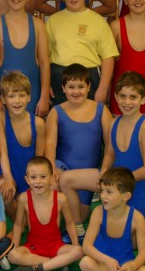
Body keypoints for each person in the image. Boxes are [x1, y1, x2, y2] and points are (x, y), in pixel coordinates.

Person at [47, 64, 113, 241]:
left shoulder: (101, 110)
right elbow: (50, 144)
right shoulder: (56, 112)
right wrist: (51, 167)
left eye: (81, 86)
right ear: (63, 88)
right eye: (71, 87)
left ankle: (73, 226)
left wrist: (105, 170)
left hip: (88, 174)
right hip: (64, 167)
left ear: (89, 87)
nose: (76, 91)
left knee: (81, 215)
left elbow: (110, 146)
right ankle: (52, 233)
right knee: (51, 185)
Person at [66, 168, 145, 271]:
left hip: (124, 262)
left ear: (126, 196)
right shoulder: (98, 212)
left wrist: (133, 266)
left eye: (109, 192)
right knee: (85, 263)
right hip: (101, 261)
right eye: (102, 191)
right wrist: (106, 260)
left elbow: (144, 253)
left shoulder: (137, 218)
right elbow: (87, 246)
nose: (103, 196)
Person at [46, 0, 119, 105]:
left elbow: (108, 57)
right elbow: (43, 57)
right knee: (60, 116)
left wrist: (103, 89)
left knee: (89, 116)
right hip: (59, 76)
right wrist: (46, 85)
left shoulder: (98, 21)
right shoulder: (52, 21)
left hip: (89, 75)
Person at [0, 0, 50, 116]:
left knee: (31, 129)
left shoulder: (38, 25)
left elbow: (44, 63)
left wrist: (44, 97)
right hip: (4, 95)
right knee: (3, 129)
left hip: (32, 94)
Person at [8, 157, 83, 271]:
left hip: (56, 247)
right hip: (33, 247)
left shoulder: (61, 199)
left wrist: (75, 244)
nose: (38, 181)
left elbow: (69, 223)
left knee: (78, 251)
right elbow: (18, 224)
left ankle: (39, 267)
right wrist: (15, 247)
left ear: (52, 179)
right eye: (33, 177)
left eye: (43, 177)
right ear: (27, 179)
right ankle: (56, 264)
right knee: (12, 255)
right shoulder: (23, 198)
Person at [102, 72, 145, 228]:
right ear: (116, 97)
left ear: (143, 99)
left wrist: (119, 182)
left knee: (130, 237)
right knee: (110, 231)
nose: (127, 102)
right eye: (123, 96)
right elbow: (110, 154)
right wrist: (103, 173)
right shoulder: (113, 124)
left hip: (137, 188)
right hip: (116, 188)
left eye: (133, 97)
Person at [0, 71, 46, 220]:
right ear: (3, 99)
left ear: (29, 97)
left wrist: (34, 183)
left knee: (37, 214)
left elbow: (39, 159)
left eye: (21, 95)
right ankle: (19, 224)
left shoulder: (38, 123)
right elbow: (2, 152)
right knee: (5, 193)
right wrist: (8, 178)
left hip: (30, 174)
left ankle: (24, 222)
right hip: (7, 171)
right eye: (11, 96)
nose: (17, 101)